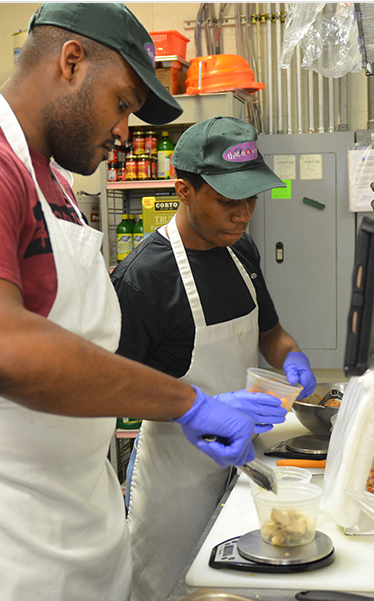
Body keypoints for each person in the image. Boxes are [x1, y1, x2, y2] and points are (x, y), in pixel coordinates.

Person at [0, 6, 286, 600]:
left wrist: (191, 408)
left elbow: (84, 353)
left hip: (73, 529)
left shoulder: (55, 187)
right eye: (121, 103)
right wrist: (187, 402)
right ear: (71, 62)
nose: (124, 130)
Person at [111, 116, 318, 601]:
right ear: (183, 190)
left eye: (251, 198)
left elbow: (270, 331)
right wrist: (200, 407)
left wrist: (292, 359)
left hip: (243, 460)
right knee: (167, 588)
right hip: (175, 479)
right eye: (228, 200)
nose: (244, 214)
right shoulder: (142, 279)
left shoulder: (240, 250)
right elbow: (115, 393)